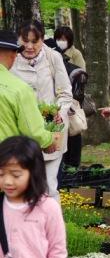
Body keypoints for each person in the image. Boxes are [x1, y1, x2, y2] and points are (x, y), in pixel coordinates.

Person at [11, 20, 73, 201]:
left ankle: (52, 227)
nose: (29, 46)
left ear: (42, 39)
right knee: (23, 185)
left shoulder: (53, 57)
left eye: (35, 41)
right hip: (21, 132)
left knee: (49, 187)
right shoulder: (11, 58)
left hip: (51, 130)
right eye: (25, 40)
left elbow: (65, 93)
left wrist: (57, 114)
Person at [0, 136, 67, 258]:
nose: (7, 181)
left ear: (33, 173)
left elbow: (57, 251)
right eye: (1, 174)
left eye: (16, 175)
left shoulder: (47, 208)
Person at [0, 29, 57, 153]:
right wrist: (48, 141)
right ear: (13, 54)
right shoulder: (19, 89)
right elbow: (32, 131)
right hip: (7, 157)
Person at [53, 26, 86, 168]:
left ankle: (73, 164)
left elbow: (82, 74)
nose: (61, 41)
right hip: (56, 99)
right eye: (59, 38)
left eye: (64, 39)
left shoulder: (75, 53)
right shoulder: (52, 52)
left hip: (72, 98)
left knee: (73, 131)